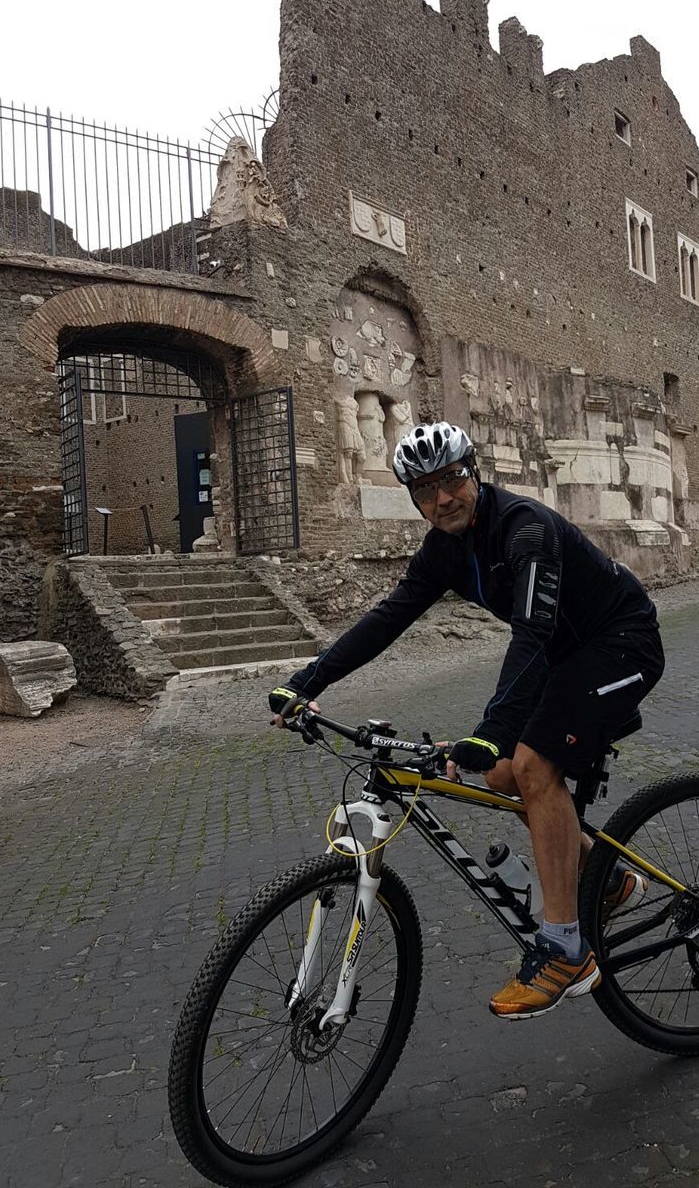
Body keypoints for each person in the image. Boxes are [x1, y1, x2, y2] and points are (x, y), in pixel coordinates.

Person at [270, 422, 664, 1020]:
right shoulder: (443, 551)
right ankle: (608, 883)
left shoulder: (524, 528)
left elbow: (532, 633)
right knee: (502, 775)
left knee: (531, 767)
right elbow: (387, 619)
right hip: (565, 656)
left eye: (452, 479)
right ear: (414, 498)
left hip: (623, 643)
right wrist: (306, 683)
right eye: (425, 490)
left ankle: (565, 949)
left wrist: (492, 729)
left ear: (473, 472)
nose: (442, 498)